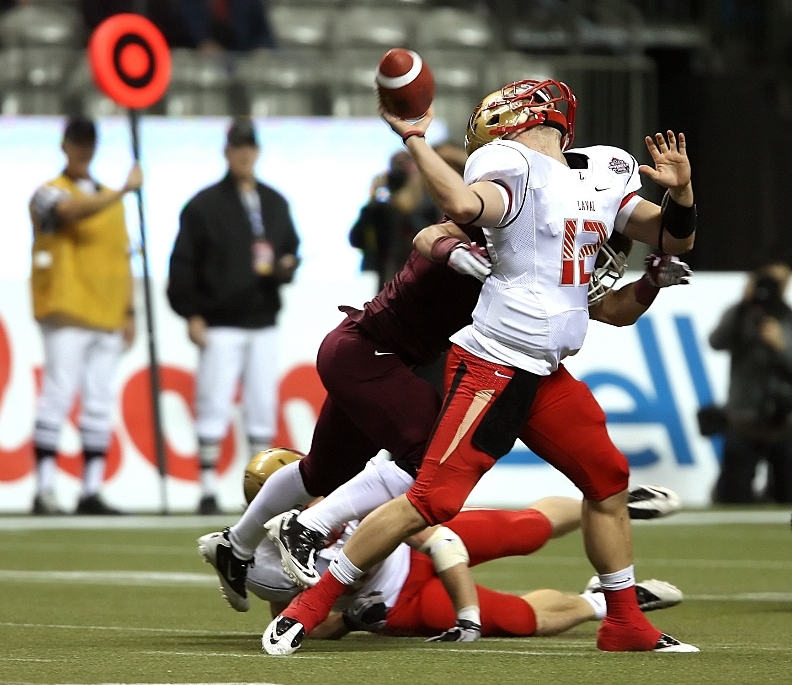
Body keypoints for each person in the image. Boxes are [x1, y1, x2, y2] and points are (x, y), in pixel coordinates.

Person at [262, 79, 698, 654]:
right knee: (432, 500)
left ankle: (623, 623)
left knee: (607, 478)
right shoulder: (509, 166)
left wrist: (682, 194)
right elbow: (461, 209)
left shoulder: (601, 172)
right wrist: (415, 140)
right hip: (492, 362)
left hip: (547, 369)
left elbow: (670, 238)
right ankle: (309, 604)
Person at [200, 226, 689, 614]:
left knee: (320, 471)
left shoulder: (538, 264)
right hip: (370, 352)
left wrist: (648, 284)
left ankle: (236, 544)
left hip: (369, 354)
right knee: (423, 456)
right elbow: (430, 234)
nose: (589, 266)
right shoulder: (506, 233)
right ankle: (305, 528)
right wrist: (454, 250)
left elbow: (607, 310)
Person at [201, 450, 685, 642]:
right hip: (398, 601)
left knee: (524, 528)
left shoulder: (350, 497)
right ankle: (599, 601)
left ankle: (600, 503)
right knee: (519, 620)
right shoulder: (267, 556)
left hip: (414, 550)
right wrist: (348, 622)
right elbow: (299, 625)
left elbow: (442, 541)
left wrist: (467, 613)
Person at [168, 117, 300, 515]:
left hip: (262, 318)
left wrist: (286, 266)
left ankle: (258, 489)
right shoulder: (204, 205)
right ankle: (207, 486)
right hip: (221, 319)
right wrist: (190, 311)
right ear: (227, 152)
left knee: (262, 406)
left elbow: (291, 247)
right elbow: (184, 262)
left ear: (256, 152)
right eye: (237, 148)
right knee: (213, 401)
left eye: (249, 147)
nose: (244, 154)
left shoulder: (274, 202)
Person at [28, 116, 142, 516]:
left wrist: (130, 309)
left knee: (98, 401)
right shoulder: (47, 193)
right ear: (65, 145)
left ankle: (89, 490)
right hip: (68, 309)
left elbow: (123, 256)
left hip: (106, 312)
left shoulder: (111, 200)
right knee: (57, 396)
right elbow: (69, 213)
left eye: (88, 142)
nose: (83, 150)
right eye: (78, 142)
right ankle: (44, 489)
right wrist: (124, 191)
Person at [709, 261, 792, 503]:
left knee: (787, 497)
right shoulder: (740, 315)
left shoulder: (788, 319)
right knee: (733, 496)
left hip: (784, 421)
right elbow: (716, 341)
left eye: (780, 281)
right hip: (743, 419)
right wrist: (744, 305)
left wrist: (781, 347)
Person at [349, 150, 440, 287]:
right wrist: (372, 201)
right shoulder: (379, 209)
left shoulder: (428, 202)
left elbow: (431, 237)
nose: (400, 171)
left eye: (405, 163)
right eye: (396, 164)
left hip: (416, 276)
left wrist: (406, 203)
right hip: (382, 276)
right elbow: (356, 240)